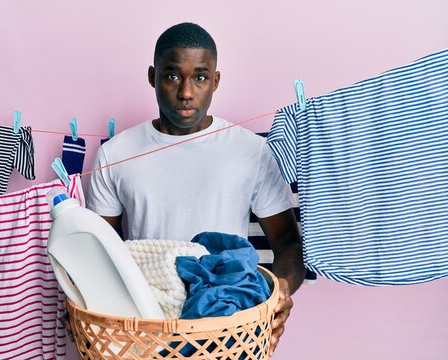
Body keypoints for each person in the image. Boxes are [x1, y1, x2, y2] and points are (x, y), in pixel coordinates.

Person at [87, 22, 305, 357]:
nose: (186, 92)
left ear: (216, 81)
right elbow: (98, 255)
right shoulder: (115, 154)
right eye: (172, 76)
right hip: (145, 325)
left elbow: (289, 243)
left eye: (200, 77)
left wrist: (280, 292)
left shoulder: (250, 151)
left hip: (228, 324)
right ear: (152, 76)